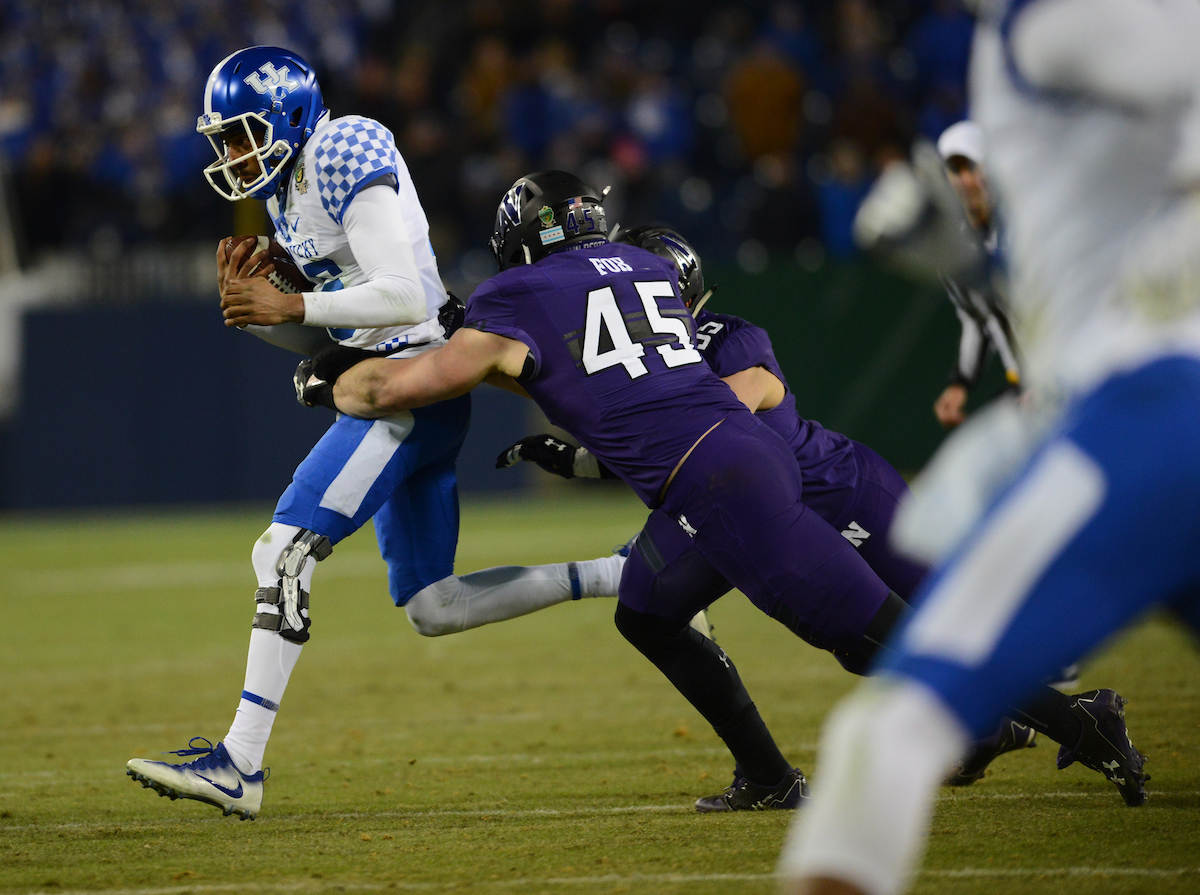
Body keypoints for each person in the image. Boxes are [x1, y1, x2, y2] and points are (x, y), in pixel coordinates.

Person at [325, 178, 1139, 813]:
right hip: (728, 465)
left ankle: (1081, 718)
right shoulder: (646, 270)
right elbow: (585, 373)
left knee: (892, 638)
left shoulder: (520, 296)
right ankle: (769, 775)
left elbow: (406, 385)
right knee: (646, 610)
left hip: (723, 482)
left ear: (522, 243)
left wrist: (328, 378)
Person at [124, 47, 621, 821]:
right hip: (407, 384)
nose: (235, 154)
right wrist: (257, 313)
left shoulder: (343, 145)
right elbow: (338, 317)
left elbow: (404, 295)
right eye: (224, 141)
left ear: (289, 114)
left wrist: (291, 305)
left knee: (281, 550)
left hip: (413, 384)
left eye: (244, 133)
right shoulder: (289, 186)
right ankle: (622, 573)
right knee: (434, 604)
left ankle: (240, 762)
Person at [779, 0, 1198, 890]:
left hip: (1152, 413)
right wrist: (968, 265)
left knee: (884, 736)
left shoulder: (1035, 21)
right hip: (1119, 399)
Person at [931, 120, 1021, 429]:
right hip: (1027, 382)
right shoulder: (956, 245)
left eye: (972, 167)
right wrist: (961, 382)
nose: (966, 181)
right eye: (956, 171)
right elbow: (976, 317)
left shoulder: (1026, 224)